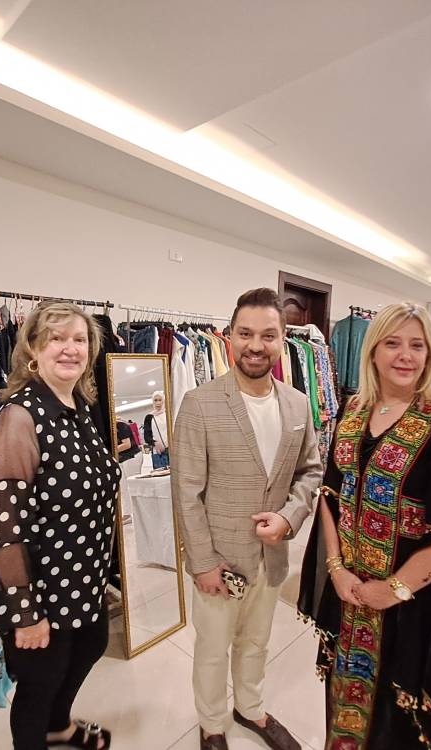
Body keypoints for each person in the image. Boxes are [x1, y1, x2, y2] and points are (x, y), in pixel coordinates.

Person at [297, 302, 431, 750]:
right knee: (345, 704)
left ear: (430, 354)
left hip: (412, 606)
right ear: (373, 350)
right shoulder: (353, 409)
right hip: (350, 596)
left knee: (397, 724)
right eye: (393, 343)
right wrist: (336, 569)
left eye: (417, 346)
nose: (405, 355)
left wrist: (394, 590)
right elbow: (330, 494)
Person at [172, 288, 322, 750]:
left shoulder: (297, 403)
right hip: (219, 560)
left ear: (282, 340)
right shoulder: (199, 403)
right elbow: (186, 492)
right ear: (231, 336)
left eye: (268, 335)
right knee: (212, 649)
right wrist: (201, 562)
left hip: (271, 557)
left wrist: (290, 518)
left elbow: (310, 470)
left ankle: (250, 707)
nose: (256, 345)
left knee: (256, 642)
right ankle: (212, 723)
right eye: (245, 334)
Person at [0, 301, 121, 750]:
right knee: (39, 685)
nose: (70, 348)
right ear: (33, 349)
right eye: (56, 339)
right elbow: (1, 524)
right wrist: (26, 613)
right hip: (41, 587)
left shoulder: (78, 404)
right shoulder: (20, 416)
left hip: (83, 579)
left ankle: (58, 728)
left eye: (79, 339)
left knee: (90, 646)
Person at [143, 390, 170, 469]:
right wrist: (155, 443)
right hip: (157, 451)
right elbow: (147, 436)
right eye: (155, 400)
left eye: (160, 400)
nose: (158, 403)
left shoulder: (168, 414)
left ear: (163, 401)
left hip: (171, 449)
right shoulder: (149, 417)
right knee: (160, 473)